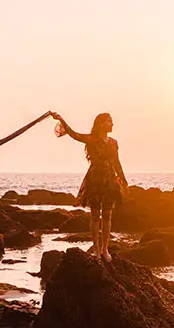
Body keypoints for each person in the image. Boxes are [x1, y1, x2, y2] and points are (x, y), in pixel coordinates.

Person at [50, 111, 128, 262]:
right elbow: (73, 134)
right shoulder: (91, 139)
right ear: (101, 124)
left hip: (110, 180)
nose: (112, 124)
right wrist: (61, 119)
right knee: (94, 215)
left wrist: (123, 180)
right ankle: (97, 250)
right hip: (95, 179)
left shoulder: (113, 143)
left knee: (107, 215)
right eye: (109, 121)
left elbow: (117, 162)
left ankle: (105, 249)